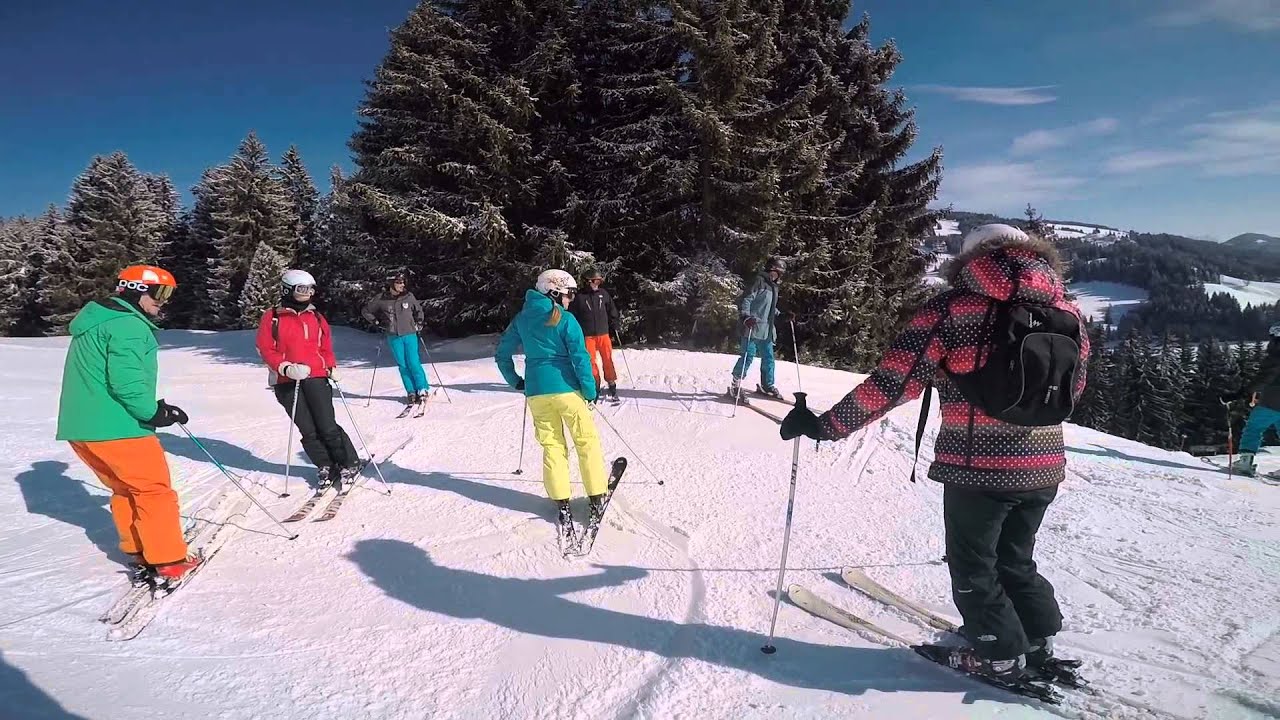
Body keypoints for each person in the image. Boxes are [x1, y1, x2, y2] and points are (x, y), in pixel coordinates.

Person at [779, 224, 1090, 681]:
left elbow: (893, 383)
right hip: (1044, 465)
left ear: (968, 260)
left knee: (973, 566)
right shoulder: (1068, 311)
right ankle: (1035, 635)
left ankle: (999, 655)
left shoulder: (952, 310)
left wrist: (827, 425)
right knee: (1016, 558)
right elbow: (1074, 389)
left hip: (978, 467)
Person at [56, 265, 198, 584]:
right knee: (153, 491)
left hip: (83, 429)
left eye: (169, 294)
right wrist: (152, 413)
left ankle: (138, 550)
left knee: (125, 489)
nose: (164, 301)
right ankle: (168, 559)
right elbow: (126, 383)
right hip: (117, 427)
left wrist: (154, 407)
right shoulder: (128, 325)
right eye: (160, 293)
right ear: (135, 290)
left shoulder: (97, 322)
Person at [495, 269, 607, 541]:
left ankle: (562, 502)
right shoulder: (566, 320)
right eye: (568, 294)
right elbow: (581, 359)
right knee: (585, 442)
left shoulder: (522, 318)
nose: (570, 300)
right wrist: (590, 390)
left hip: (537, 392)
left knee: (552, 446)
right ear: (554, 292)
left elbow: (501, 354)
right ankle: (596, 498)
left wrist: (517, 381)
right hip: (568, 391)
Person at [255, 269, 360, 490]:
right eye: (302, 290)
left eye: (311, 290)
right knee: (307, 428)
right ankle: (325, 465)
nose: (307, 294)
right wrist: (284, 367)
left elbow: (325, 346)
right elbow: (265, 348)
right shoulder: (272, 317)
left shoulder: (316, 317)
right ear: (288, 289)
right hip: (286, 381)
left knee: (326, 425)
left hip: (315, 377)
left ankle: (349, 462)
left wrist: (330, 367)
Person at [362, 272, 430, 407]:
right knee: (403, 365)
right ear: (392, 283)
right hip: (393, 335)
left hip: (409, 333)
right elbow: (366, 310)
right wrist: (375, 322)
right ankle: (411, 391)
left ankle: (422, 389)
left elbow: (418, 311)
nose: (402, 285)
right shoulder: (381, 298)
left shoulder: (408, 296)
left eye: (403, 282)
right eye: (399, 282)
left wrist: (420, 322)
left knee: (413, 362)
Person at [731, 256, 785, 399]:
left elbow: (770, 307)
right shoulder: (758, 281)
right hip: (752, 327)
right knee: (748, 356)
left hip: (766, 330)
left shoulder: (774, 287)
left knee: (769, 358)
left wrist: (782, 315)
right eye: (776, 272)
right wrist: (745, 316)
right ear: (770, 269)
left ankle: (767, 385)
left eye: (779, 273)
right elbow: (746, 299)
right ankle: (735, 384)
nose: (777, 275)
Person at [1231, 323, 1280, 476]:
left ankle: (1245, 463)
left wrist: (1243, 391)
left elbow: (1265, 377)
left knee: (1254, 428)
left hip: (1271, 401)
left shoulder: (1275, 356)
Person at [568, 268, 621, 401]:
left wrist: (614, 324)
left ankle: (611, 381)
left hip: (603, 333)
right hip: (587, 335)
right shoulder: (579, 297)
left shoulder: (603, 294)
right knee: (590, 362)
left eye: (599, 281)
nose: (597, 284)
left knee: (607, 358)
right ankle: (595, 385)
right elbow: (572, 316)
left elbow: (612, 310)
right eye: (595, 281)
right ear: (587, 281)